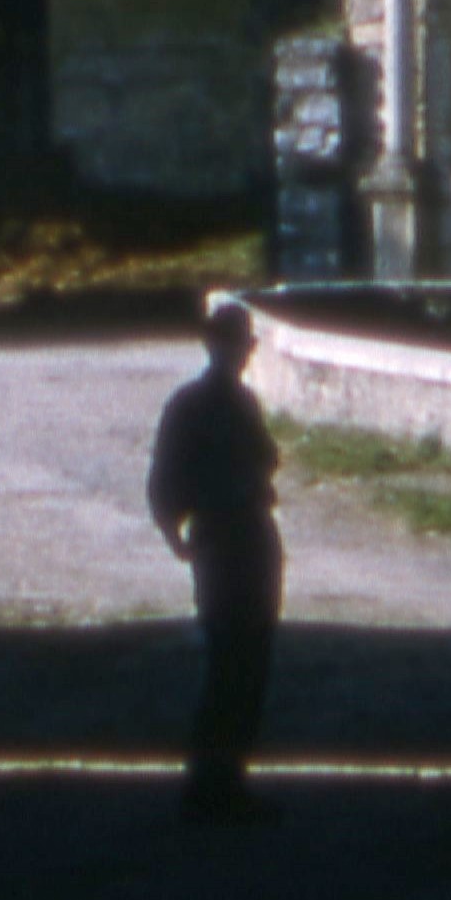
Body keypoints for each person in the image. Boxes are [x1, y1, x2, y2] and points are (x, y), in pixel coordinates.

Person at [147, 293, 283, 820]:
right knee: (237, 660)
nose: (240, 352)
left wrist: (175, 535)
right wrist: (176, 534)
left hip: (230, 537)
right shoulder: (222, 404)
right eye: (237, 343)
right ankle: (216, 780)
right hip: (235, 536)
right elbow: (265, 459)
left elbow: (164, 481)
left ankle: (219, 779)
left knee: (238, 659)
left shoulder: (196, 404)